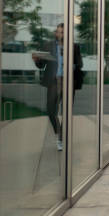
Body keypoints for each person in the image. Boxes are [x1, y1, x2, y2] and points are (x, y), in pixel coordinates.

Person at [32, 23, 83, 151]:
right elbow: (41, 65)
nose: (58, 34)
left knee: (66, 112)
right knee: (50, 110)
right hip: (54, 81)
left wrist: (71, 65)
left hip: (68, 82)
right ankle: (59, 132)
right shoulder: (48, 46)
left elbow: (80, 63)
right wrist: (37, 60)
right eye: (57, 31)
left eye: (61, 32)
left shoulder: (74, 46)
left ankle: (61, 139)